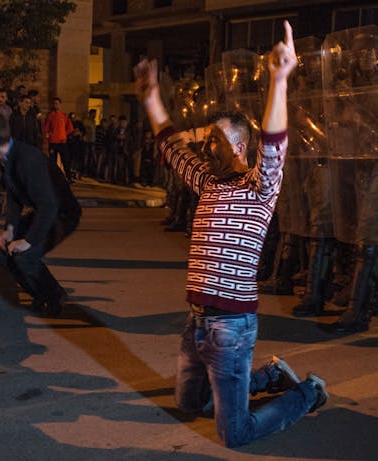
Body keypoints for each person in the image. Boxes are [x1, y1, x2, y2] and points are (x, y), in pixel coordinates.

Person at [134, 21, 327, 448]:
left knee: (234, 433)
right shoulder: (207, 181)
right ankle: (270, 375)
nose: (206, 147)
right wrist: (150, 97)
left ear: (239, 147)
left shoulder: (259, 188)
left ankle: (308, 392)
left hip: (232, 327)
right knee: (189, 404)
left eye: (215, 141)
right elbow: (170, 144)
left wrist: (280, 80)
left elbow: (275, 142)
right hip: (197, 322)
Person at [0, 111, 81, 316]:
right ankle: (41, 295)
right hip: (46, 210)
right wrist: (10, 229)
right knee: (5, 251)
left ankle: (54, 296)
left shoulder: (27, 160)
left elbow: (49, 206)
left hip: (61, 214)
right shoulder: (8, 156)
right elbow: (15, 196)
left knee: (25, 256)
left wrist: (28, 240)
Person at [43, 97, 74, 181]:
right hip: (53, 142)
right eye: (54, 103)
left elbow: (70, 128)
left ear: (60, 105)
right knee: (52, 161)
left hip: (62, 142)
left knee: (66, 160)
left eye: (57, 103)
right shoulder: (50, 116)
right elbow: (46, 129)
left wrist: (64, 134)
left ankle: (69, 178)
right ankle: (53, 178)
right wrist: (47, 139)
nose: (55, 105)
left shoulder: (64, 116)